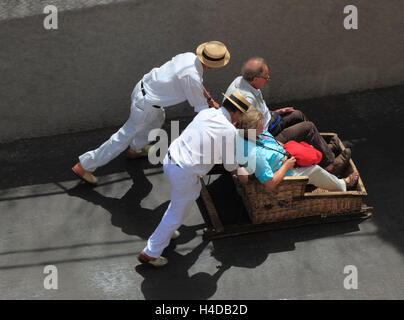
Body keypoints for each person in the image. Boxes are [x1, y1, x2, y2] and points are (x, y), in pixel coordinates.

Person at [72, 41, 230, 184]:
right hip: (146, 106)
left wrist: (210, 100)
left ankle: (136, 149)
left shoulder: (188, 58)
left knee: (158, 118)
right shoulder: (192, 77)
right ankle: (85, 165)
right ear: (211, 65)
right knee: (122, 138)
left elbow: (197, 85)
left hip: (143, 90)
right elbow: (201, 111)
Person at [138, 90, 251, 267]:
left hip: (169, 159)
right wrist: (242, 171)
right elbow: (230, 165)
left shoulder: (206, 112)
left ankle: (168, 231)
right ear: (236, 112)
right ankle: (150, 252)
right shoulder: (229, 130)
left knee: (182, 201)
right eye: (242, 114)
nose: (241, 118)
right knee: (177, 213)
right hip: (184, 173)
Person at [225, 57, 351, 177]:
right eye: (265, 77)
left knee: (298, 115)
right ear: (255, 79)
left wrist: (275, 112)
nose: (268, 78)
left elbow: (259, 112)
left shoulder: (242, 80)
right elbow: (249, 132)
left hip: (268, 122)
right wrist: (270, 143)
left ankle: (319, 151)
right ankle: (330, 166)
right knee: (308, 128)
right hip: (265, 135)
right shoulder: (246, 99)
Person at [236, 109, 359, 193]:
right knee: (314, 170)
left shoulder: (255, 134)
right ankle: (343, 184)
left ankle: (326, 158)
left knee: (308, 148)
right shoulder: (256, 155)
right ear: (252, 130)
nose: (263, 126)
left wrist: (289, 150)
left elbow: (272, 142)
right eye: (260, 125)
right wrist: (286, 166)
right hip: (284, 171)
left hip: (286, 156)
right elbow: (270, 184)